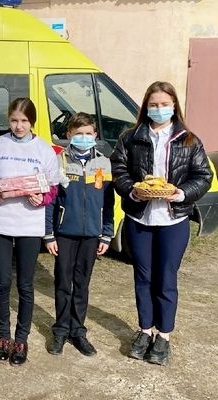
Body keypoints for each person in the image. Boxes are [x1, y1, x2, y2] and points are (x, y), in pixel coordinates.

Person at [110, 81, 212, 366]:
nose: (159, 109)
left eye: (164, 104)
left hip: (173, 219)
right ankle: (145, 330)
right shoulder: (130, 137)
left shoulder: (189, 140)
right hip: (139, 218)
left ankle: (163, 336)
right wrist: (133, 190)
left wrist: (179, 193)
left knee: (166, 278)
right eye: (153, 104)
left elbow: (203, 176)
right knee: (143, 276)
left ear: (174, 106)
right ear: (146, 107)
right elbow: (118, 170)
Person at [0, 97, 58, 366]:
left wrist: (43, 198)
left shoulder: (44, 150)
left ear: (32, 121)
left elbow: (53, 187)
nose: (19, 126)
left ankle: (21, 339)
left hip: (29, 225)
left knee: (25, 285)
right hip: (0, 224)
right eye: (14, 120)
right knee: (3, 282)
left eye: (24, 121)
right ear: (8, 119)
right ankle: (3, 336)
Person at [43, 112, 114, 357]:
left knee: (82, 284)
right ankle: (61, 330)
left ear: (95, 135)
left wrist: (106, 234)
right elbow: (51, 201)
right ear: (69, 135)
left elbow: (108, 202)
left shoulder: (104, 163)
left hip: (91, 235)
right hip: (64, 234)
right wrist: (49, 234)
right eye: (78, 133)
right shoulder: (59, 161)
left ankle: (78, 331)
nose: (83, 137)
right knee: (63, 283)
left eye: (88, 133)